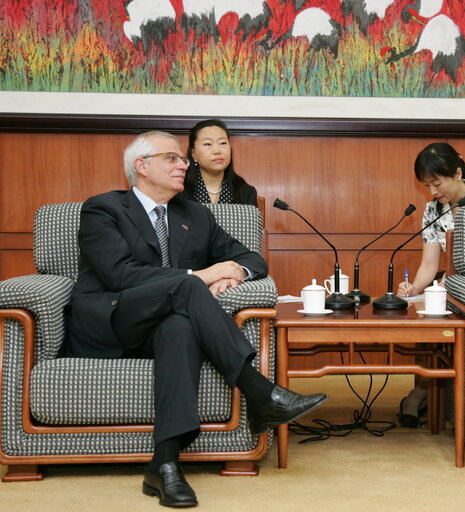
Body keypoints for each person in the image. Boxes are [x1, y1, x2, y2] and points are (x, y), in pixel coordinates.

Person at [62, 131, 327, 508]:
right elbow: (120, 275)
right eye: (171, 158)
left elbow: (253, 259)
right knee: (189, 288)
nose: (183, 164)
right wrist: (202, 276)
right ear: (142, 166)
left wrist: (234, 272)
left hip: (163, 327)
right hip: (113, 321)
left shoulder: (195, 215)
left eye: (182, 159)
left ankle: (165, 464)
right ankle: (259, 392)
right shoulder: (103, 209)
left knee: (179, 327)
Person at [395, 142, 465, 427]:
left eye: (437, 183)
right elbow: (430, 263)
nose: (433, 192)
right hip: (446, 286)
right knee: (424, 315)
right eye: (427, 185)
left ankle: (424, 394)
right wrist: (413, 289)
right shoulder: (433, 209)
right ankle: (424, 390)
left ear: (457, 173)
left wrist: (448, 284)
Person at [182, 118, 257, 205]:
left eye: (223, 143)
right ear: (193, 153)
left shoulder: (245, 191)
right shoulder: (180, 189)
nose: (217, 151)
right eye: (207, 144)